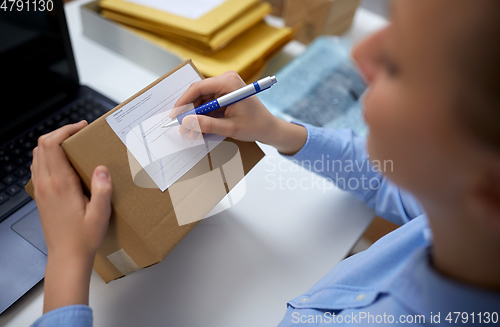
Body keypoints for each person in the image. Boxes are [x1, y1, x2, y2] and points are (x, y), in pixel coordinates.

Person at [30, 0, 500, 326]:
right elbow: (393, 186)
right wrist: (279, 132)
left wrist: (68, 261)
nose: (359, 54)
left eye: (399, 65)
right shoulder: (461, 222)